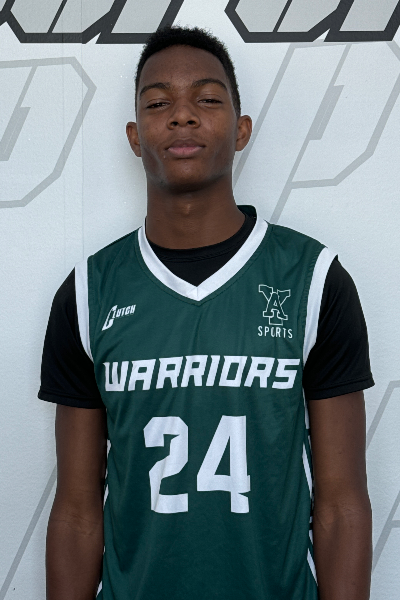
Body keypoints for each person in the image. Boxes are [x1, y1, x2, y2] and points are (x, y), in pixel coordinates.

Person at [39, 25, 374, 600]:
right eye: (158, 103)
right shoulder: (89, 292)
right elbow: (76, 510)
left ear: (242, 130)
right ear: (134, 136)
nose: (182, 116)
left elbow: (341, 502)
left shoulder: (314, 279)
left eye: (208, 99)